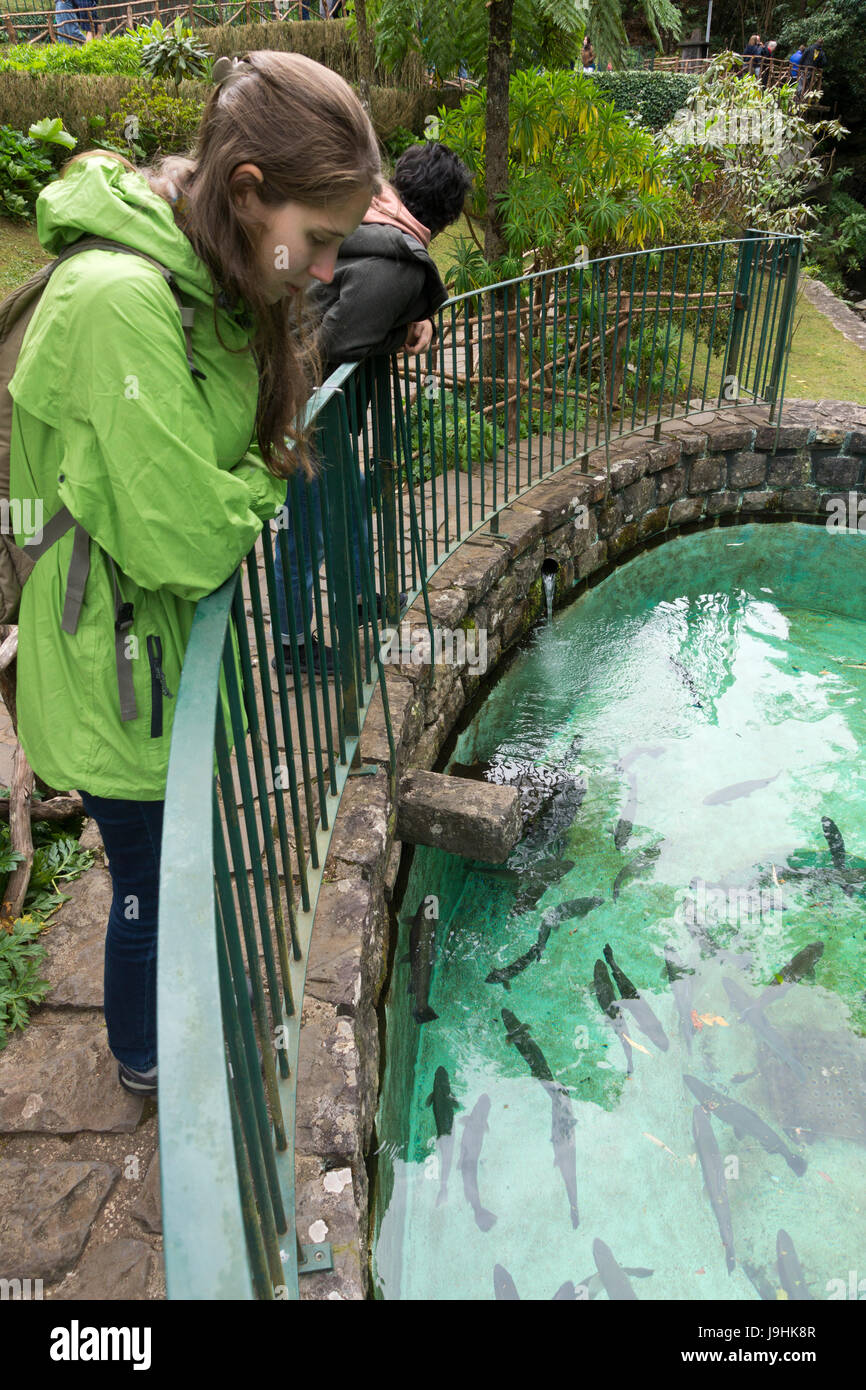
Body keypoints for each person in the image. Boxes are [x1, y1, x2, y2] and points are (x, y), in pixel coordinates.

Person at [9, 51, 381, 1096]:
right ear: (247, 189)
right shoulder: (122, 301)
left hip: (152, 648)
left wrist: (232, 482)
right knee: (148, 886)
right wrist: (257, 492)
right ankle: (145, 1063)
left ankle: (163, 1040)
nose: (319, 270)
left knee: (172, 871)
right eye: (314, 241)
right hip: (110, 660)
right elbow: (184, 537)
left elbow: (205, 476)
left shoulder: (199, 266)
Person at [271, 142, 473, 673]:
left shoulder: (367, 219)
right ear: (447, 216)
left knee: (346, 503)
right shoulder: (399, 263)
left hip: (311, 397)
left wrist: (409, 325)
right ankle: (293, 646)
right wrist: (399, 334)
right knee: (306, 525)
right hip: (306, 405)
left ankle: (359, 597)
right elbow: (340, 340)